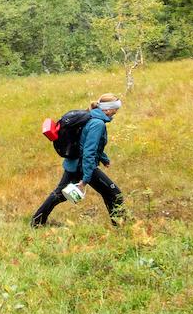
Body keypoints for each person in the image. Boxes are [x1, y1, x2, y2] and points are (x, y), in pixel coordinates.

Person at [31, 93, 125, 227]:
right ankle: (121, 227)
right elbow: (89, 151)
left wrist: (103, 158)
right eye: (116, 109)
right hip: (83, 166)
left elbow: (84, 142)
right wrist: (85, 179)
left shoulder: (90, 116)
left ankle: (36, 222)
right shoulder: (97, 123)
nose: (116, 112)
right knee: (114, 194)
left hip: (73, 163)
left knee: (60, 194)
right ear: (108, 109)